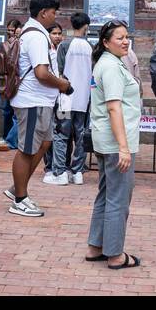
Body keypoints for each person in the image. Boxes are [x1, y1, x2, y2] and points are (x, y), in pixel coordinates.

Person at [6, 0, 72, 218]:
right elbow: (41, 72)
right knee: (27, 149)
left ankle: (18, 185)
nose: (55, 16)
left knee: (44, 143)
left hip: (41, 100)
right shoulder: (35, 36)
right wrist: (62, 83)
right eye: (53, 12)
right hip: (32, 100)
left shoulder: (35, 33)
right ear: (44, 13)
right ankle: (20, 199)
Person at [86, 20, 142, 269]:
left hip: (106, 140)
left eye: (126, 37)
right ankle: (115, 254)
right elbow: (113, 107)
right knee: (119, 198)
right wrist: (123, 147)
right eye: (119, 38)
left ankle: (96, 246)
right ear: (106, 42)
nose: (125, 41)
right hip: (115, 142)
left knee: (106, 194)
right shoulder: (110, 67)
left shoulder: (109, 63)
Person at [46, 12, 91, 186]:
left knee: (61, 134)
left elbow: (59, 71)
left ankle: (59, 172)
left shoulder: (64, 45)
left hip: (65, 98)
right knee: (80, 135)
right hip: (83, 99)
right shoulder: (90, 47)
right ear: (86, 26)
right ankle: (78, 171)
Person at [0, 19, 23, 149]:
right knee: (7, 112)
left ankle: (11, 140)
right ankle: (8, 137)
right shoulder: (4, 44)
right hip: (7, 81)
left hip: (18, 82)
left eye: (13, 30)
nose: (11, 32)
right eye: (9, 30)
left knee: (16, 114)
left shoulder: (21, 43)